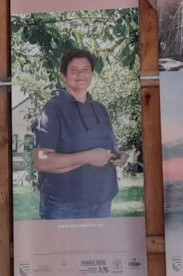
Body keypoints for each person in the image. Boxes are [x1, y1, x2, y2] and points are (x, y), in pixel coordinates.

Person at [32, 48, 126, 219]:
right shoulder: (53, 109)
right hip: (65, 205)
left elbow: (109, 147)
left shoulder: (100, 109)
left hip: (103, 201)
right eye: (73, 70)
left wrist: (118, 156)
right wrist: (88, 157)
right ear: (63, 76)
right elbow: (41, 161)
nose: (80, 74)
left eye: (86, 69)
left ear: (91, 74)